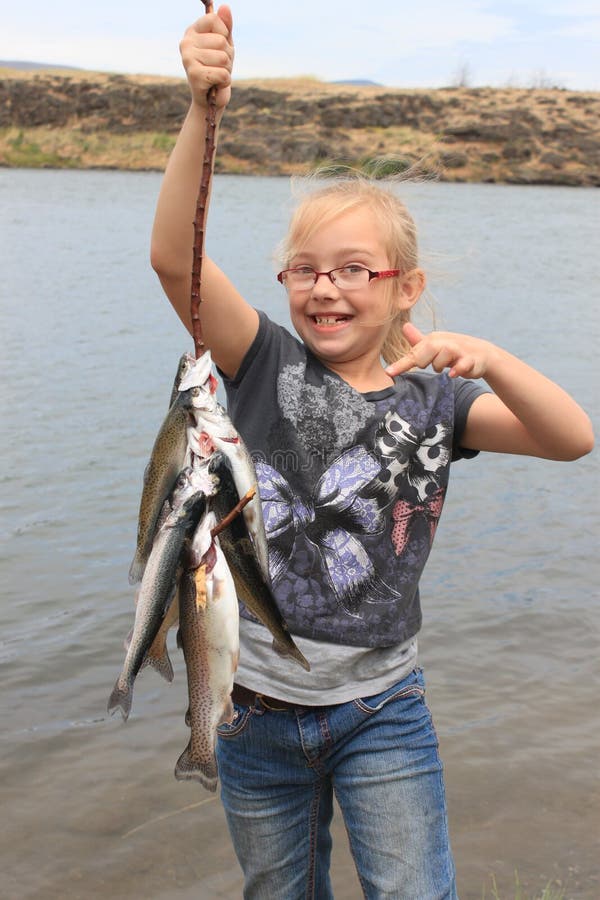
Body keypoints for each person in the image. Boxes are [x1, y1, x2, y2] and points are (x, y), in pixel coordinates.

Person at [150, 7, 594, 898]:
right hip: (253, 714)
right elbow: (174, 258)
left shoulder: (444, 400)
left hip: (384, 712)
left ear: (406, 290)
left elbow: (571, 439)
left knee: (413, 890)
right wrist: (203, 109)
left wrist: (497, 360)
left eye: (355, 268)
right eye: (306, 268)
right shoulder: (262, 362)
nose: (326, 286)